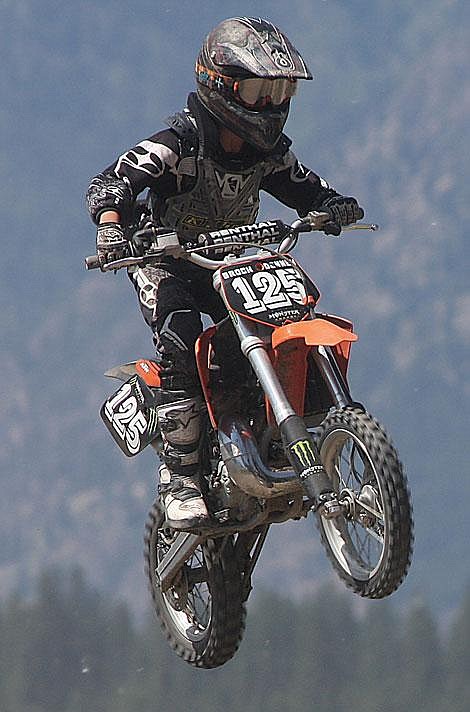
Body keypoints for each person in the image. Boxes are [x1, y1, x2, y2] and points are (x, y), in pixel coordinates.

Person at [86, 17, 364, 530]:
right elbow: (112, 183)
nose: (271, 105)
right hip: (167, 260)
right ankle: (181, 477)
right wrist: (111, 230)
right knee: (182, 338)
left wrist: (333, 205)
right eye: (259, 91)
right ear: (220, 85)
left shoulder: (268, 151)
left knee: (283, 316)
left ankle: (304, 425)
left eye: (279, 91)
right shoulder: (177, 143)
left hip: (233, 258)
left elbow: (302, 186)